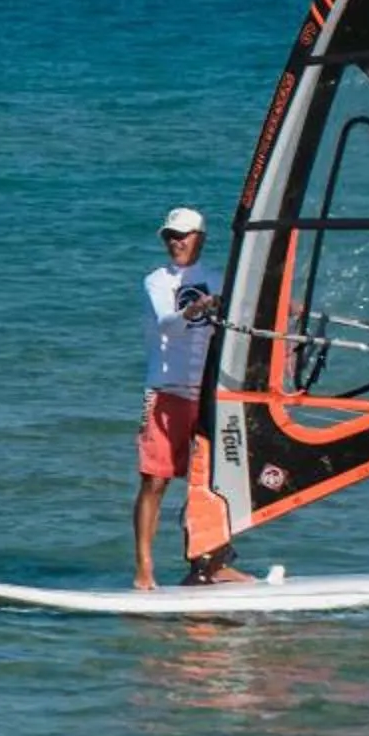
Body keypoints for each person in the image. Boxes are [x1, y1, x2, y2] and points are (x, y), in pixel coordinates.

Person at [134, 207, 249, 589]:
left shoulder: (218, 280)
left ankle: (211, 564)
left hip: (210, 395)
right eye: (169, 236)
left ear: (200, 237)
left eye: (182, 235)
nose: (175, 242)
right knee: (155, 482)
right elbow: (168, 321)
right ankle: (145, 569)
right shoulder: (157, 281)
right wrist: (195, 308)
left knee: (214, 484)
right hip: (167, 391)